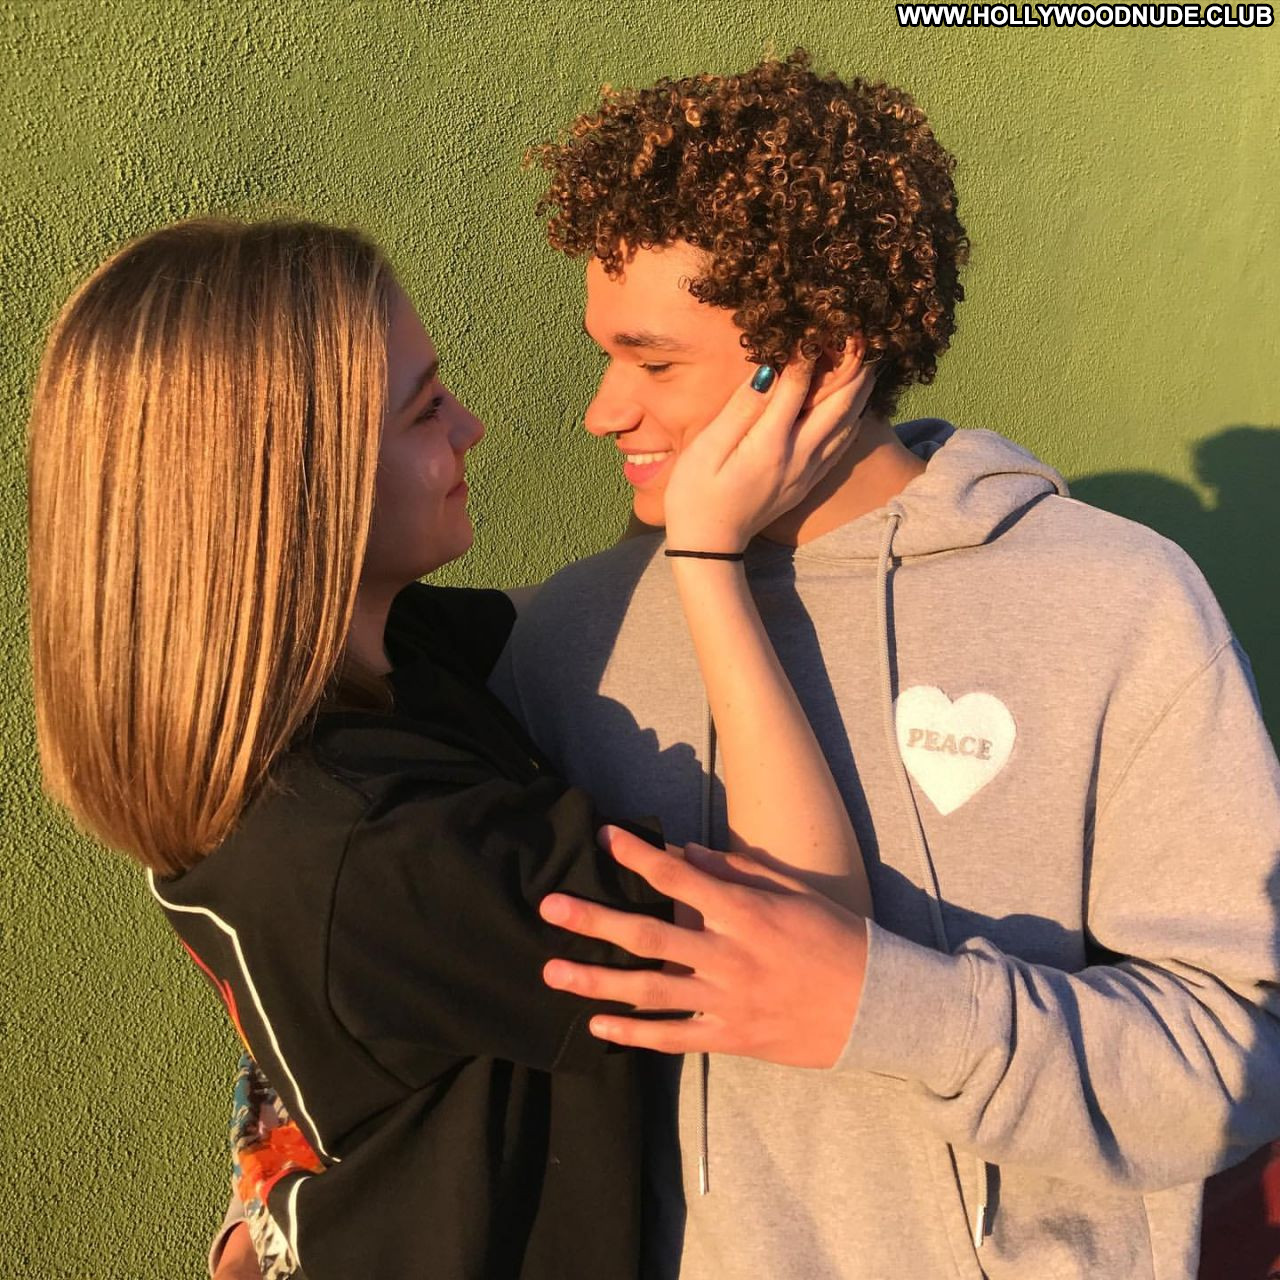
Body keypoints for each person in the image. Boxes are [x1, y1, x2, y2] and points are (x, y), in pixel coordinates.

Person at [490, 50, 1280, 1279]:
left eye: (654, 362)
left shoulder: (1115, 601)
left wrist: (891, 1006)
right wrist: (266, 1173)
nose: (602, 409)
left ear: (821, 352)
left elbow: (1237, 1054)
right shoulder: (570, 638)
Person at [26, 217, 876, 1279]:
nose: (471, 427)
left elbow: (591, 624)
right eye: (426, 408)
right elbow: (802, 938)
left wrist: (678, 476)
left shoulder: (360, 686)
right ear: (300, 484)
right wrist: (705, 554)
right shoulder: (383, 844)